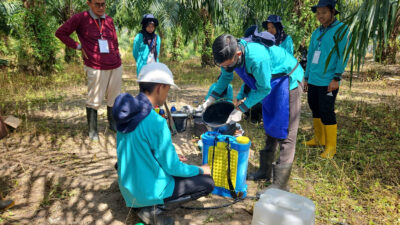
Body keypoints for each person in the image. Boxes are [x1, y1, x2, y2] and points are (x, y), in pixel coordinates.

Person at [112, 63, 214, 225]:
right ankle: (152, 209)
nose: (167, 94)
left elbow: (140, 145)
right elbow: (173, 168)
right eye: (168, 89)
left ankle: (142, 204)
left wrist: (171, 155)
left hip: (129, 187)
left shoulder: (127, 112)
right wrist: (202, 169)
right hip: (148, 192)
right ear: (160, 87)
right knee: (207, 183)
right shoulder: (156, 121)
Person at [204, 32, 304, 193]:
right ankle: (264, 171)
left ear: (237, 54)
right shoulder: (231, 56)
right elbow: (225, 78)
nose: (225, 67)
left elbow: (264, 88)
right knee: (271, 124)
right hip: (269, 82)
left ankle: (280, 184)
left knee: (285, 131)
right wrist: (210, 99)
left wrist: (241, 109)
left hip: (287, 80)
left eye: (226, 64)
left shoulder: (257, 58)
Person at [55, 0, 122, 141]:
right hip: (95, 65)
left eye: (103, 4)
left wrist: (117, 54)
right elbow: (61, 33)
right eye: (97, 4)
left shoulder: (109, 20)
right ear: (89, 3)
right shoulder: (80, 18)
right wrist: (78, 46)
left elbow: (114, 41)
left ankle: (113, 124)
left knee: (114, 97)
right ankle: (93, 131)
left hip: (115, 65)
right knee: (94, 99)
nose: (101, 7)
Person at [304, 0, 350, 159]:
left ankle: (331, 147)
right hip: (314, 79)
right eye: (318, 13)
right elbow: (310, 56)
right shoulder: (316, 32)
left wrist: (336, 77)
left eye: (323, 12)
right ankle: (318, 139)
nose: (320, 16)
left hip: (328, 80)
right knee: (314, 107)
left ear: (332, 11)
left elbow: (343, 55)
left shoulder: (342, 30)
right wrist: (306, 77)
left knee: (326, 111)